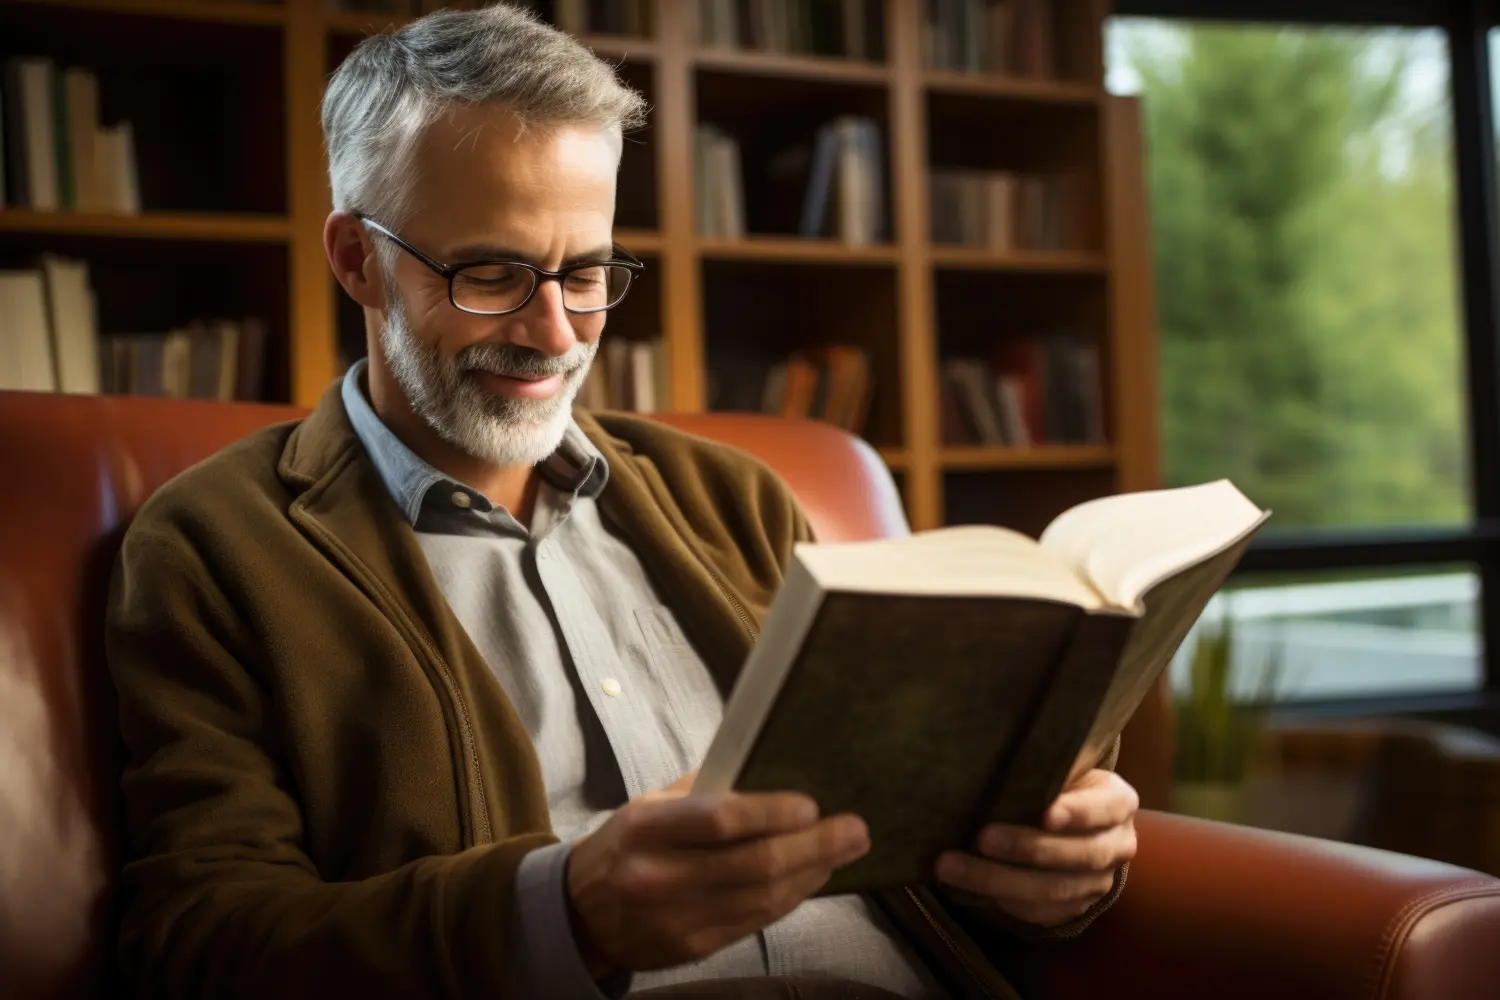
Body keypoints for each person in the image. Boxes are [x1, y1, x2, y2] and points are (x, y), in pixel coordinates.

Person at [105, 5, 1138, 999]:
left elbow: (911, 823)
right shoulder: (217, 546)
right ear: (357, 259)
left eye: (587, 272)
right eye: (494, 274)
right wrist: (564, 915)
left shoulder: (735, 499)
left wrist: (1048, 869)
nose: (556, 333)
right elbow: (199, 943)